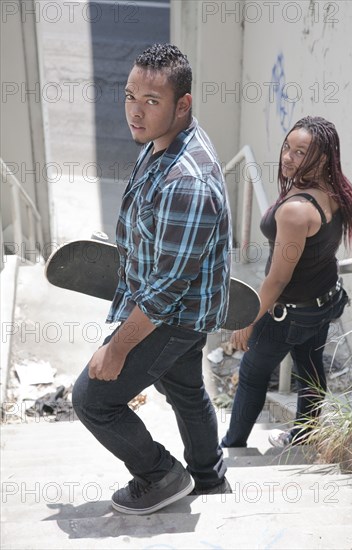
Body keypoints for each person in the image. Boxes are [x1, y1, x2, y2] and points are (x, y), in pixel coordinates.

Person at [72, 43, 232, 515]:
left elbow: (165, 294)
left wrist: (117, 347)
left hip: (175, 315)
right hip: (182, 307)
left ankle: (160, 475)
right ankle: (209, 480)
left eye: (151, 102)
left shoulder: (187, 181)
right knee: (183, 387)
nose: (135, 113)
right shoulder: (164, 139)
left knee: (92, 399)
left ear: (183, 105)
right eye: (129, 96)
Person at [221, 116, 352, 449]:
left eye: (301, 152)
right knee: (310, 367)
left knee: (253, 375)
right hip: (322, 302)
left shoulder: (296, 211)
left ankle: (231, 446)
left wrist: (249, 319)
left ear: (323, 158)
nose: (288, 157)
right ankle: (304, 435)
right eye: (288, 147)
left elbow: (278, 277)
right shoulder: (334, 190)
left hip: (288, 313)